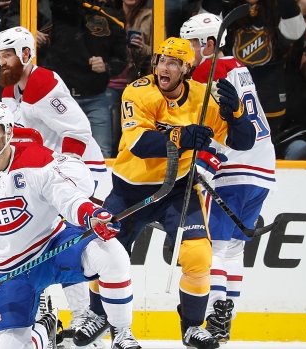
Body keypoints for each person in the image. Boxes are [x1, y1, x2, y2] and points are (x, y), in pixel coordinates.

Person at [0, 102, 139, 349]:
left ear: (8, 131)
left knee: (113, 255)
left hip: (53, 246)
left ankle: (122, 333)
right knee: (11, 346)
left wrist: (91, 214)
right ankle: (46, 331)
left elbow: (66, 195)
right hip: (11, 268)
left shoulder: (35, 158)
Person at [102, 37, 256, 349]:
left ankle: (192, 327)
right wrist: (182, 136)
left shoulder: (202, 98)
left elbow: (244, 142)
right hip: (130, 191)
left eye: (173, 63)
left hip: (177, 190)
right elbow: (139, 144)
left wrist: (237, 114)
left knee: (198, 255)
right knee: (105, 256)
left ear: (187, 68)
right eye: (161, 60)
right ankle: (112, 327)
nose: (164, 67)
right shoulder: (138, 90)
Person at [0, 26, 115, 346]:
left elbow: (79, 131)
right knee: (37, 238)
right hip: (47, 175)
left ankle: (84, 317)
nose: (2, 63)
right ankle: (51, 310)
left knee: (65, 240)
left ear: (26, 54)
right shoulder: (9, 91)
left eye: (8, 56)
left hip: (83, 171)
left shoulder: (43, 82)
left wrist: (64, 173)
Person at [180, 13, 277, 344]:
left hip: (236, 167)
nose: (187, 51)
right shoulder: (237, 65)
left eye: (191, 44)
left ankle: (214, 319)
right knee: (234, 250)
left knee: (217, 248)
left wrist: (204, 164)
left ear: (208, 44)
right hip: (263, 166)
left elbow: (219, 127)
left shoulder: (209, 72)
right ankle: (224, 323)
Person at [200, 0, 305, 139]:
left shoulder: (277, 6)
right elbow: (204, 33)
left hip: (270, 92)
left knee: (267, 144)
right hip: (233, 89)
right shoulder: (225, 7)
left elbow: (295, 33)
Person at [41, 0, 128, 159]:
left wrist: (106, 66)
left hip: (94, 98)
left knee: (103, 153)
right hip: (60, 99)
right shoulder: (58, 11)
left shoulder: (112, 19)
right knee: (56, 153)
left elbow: (121, 58)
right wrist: (33, 36)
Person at [106, 0, 153, 156]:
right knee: (111, 136)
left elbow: (160, 51)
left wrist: (143, 48)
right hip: (108, 82)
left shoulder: (151, 16)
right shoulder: (106, 13)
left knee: (133, 134)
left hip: (136, 83)